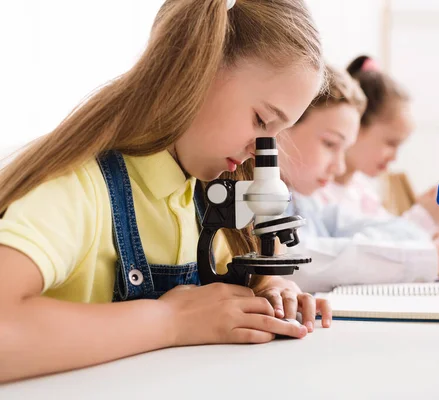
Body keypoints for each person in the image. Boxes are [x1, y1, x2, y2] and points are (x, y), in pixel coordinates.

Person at [0, 0, 331, 383]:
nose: (258, 151)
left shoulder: (206, 194)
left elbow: (226, 298)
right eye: (261, 120)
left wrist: (269, 291)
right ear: (197, 68)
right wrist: (170, 321)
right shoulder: (78, 187)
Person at [278, 62, 439, 293]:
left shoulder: (303, 202)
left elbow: (367, 231)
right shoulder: (256, 197)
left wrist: (432, 243)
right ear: (280, 126)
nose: (339, 165)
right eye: (330, 144)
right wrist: (437, 258)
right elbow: (293, 261)